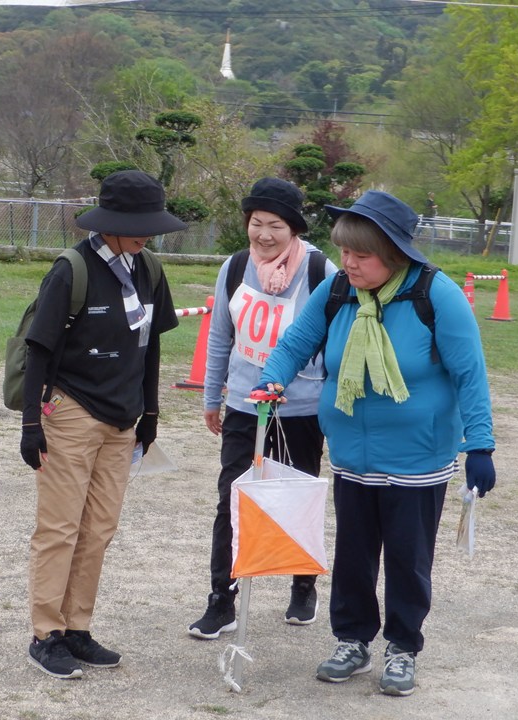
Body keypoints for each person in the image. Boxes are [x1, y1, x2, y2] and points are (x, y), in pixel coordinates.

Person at [258, 190, 496, 697]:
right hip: (352, 454)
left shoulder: (436, 295)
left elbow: (470, 373)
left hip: (418, 457)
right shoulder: (339, 290)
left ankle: (403, 647)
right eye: (344, 251)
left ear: (394, 254)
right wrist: (271, 379)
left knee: (408, 559)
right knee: (353, 554)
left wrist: (481, 445)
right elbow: (296, 342)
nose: (348, 263)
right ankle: (352, 640)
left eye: (361, 255)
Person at [19, 170, 184, 679]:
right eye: (138, 225)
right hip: (71, 409)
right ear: (110, 223)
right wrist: (30, 424)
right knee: (60, 528)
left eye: (152, 225)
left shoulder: (147, 268)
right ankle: (46, 634)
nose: (147, 235)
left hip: (122, 418)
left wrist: (150, 414)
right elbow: (38, 349)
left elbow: (150, 345)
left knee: (99, 529)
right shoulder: (72, 270)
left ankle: (77, 628)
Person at [188, 177, 337, 640]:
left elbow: (335, 342)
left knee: (297, 499)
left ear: (294, 229)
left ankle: (303, 586)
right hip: (244, 405)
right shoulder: (235, 266)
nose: (264, 235)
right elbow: (220, 337)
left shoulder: (321, 271)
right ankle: (222, 599)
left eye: (276, 226)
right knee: (231, 500)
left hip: (301, 409)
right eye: (256, 223)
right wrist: (213, 397)